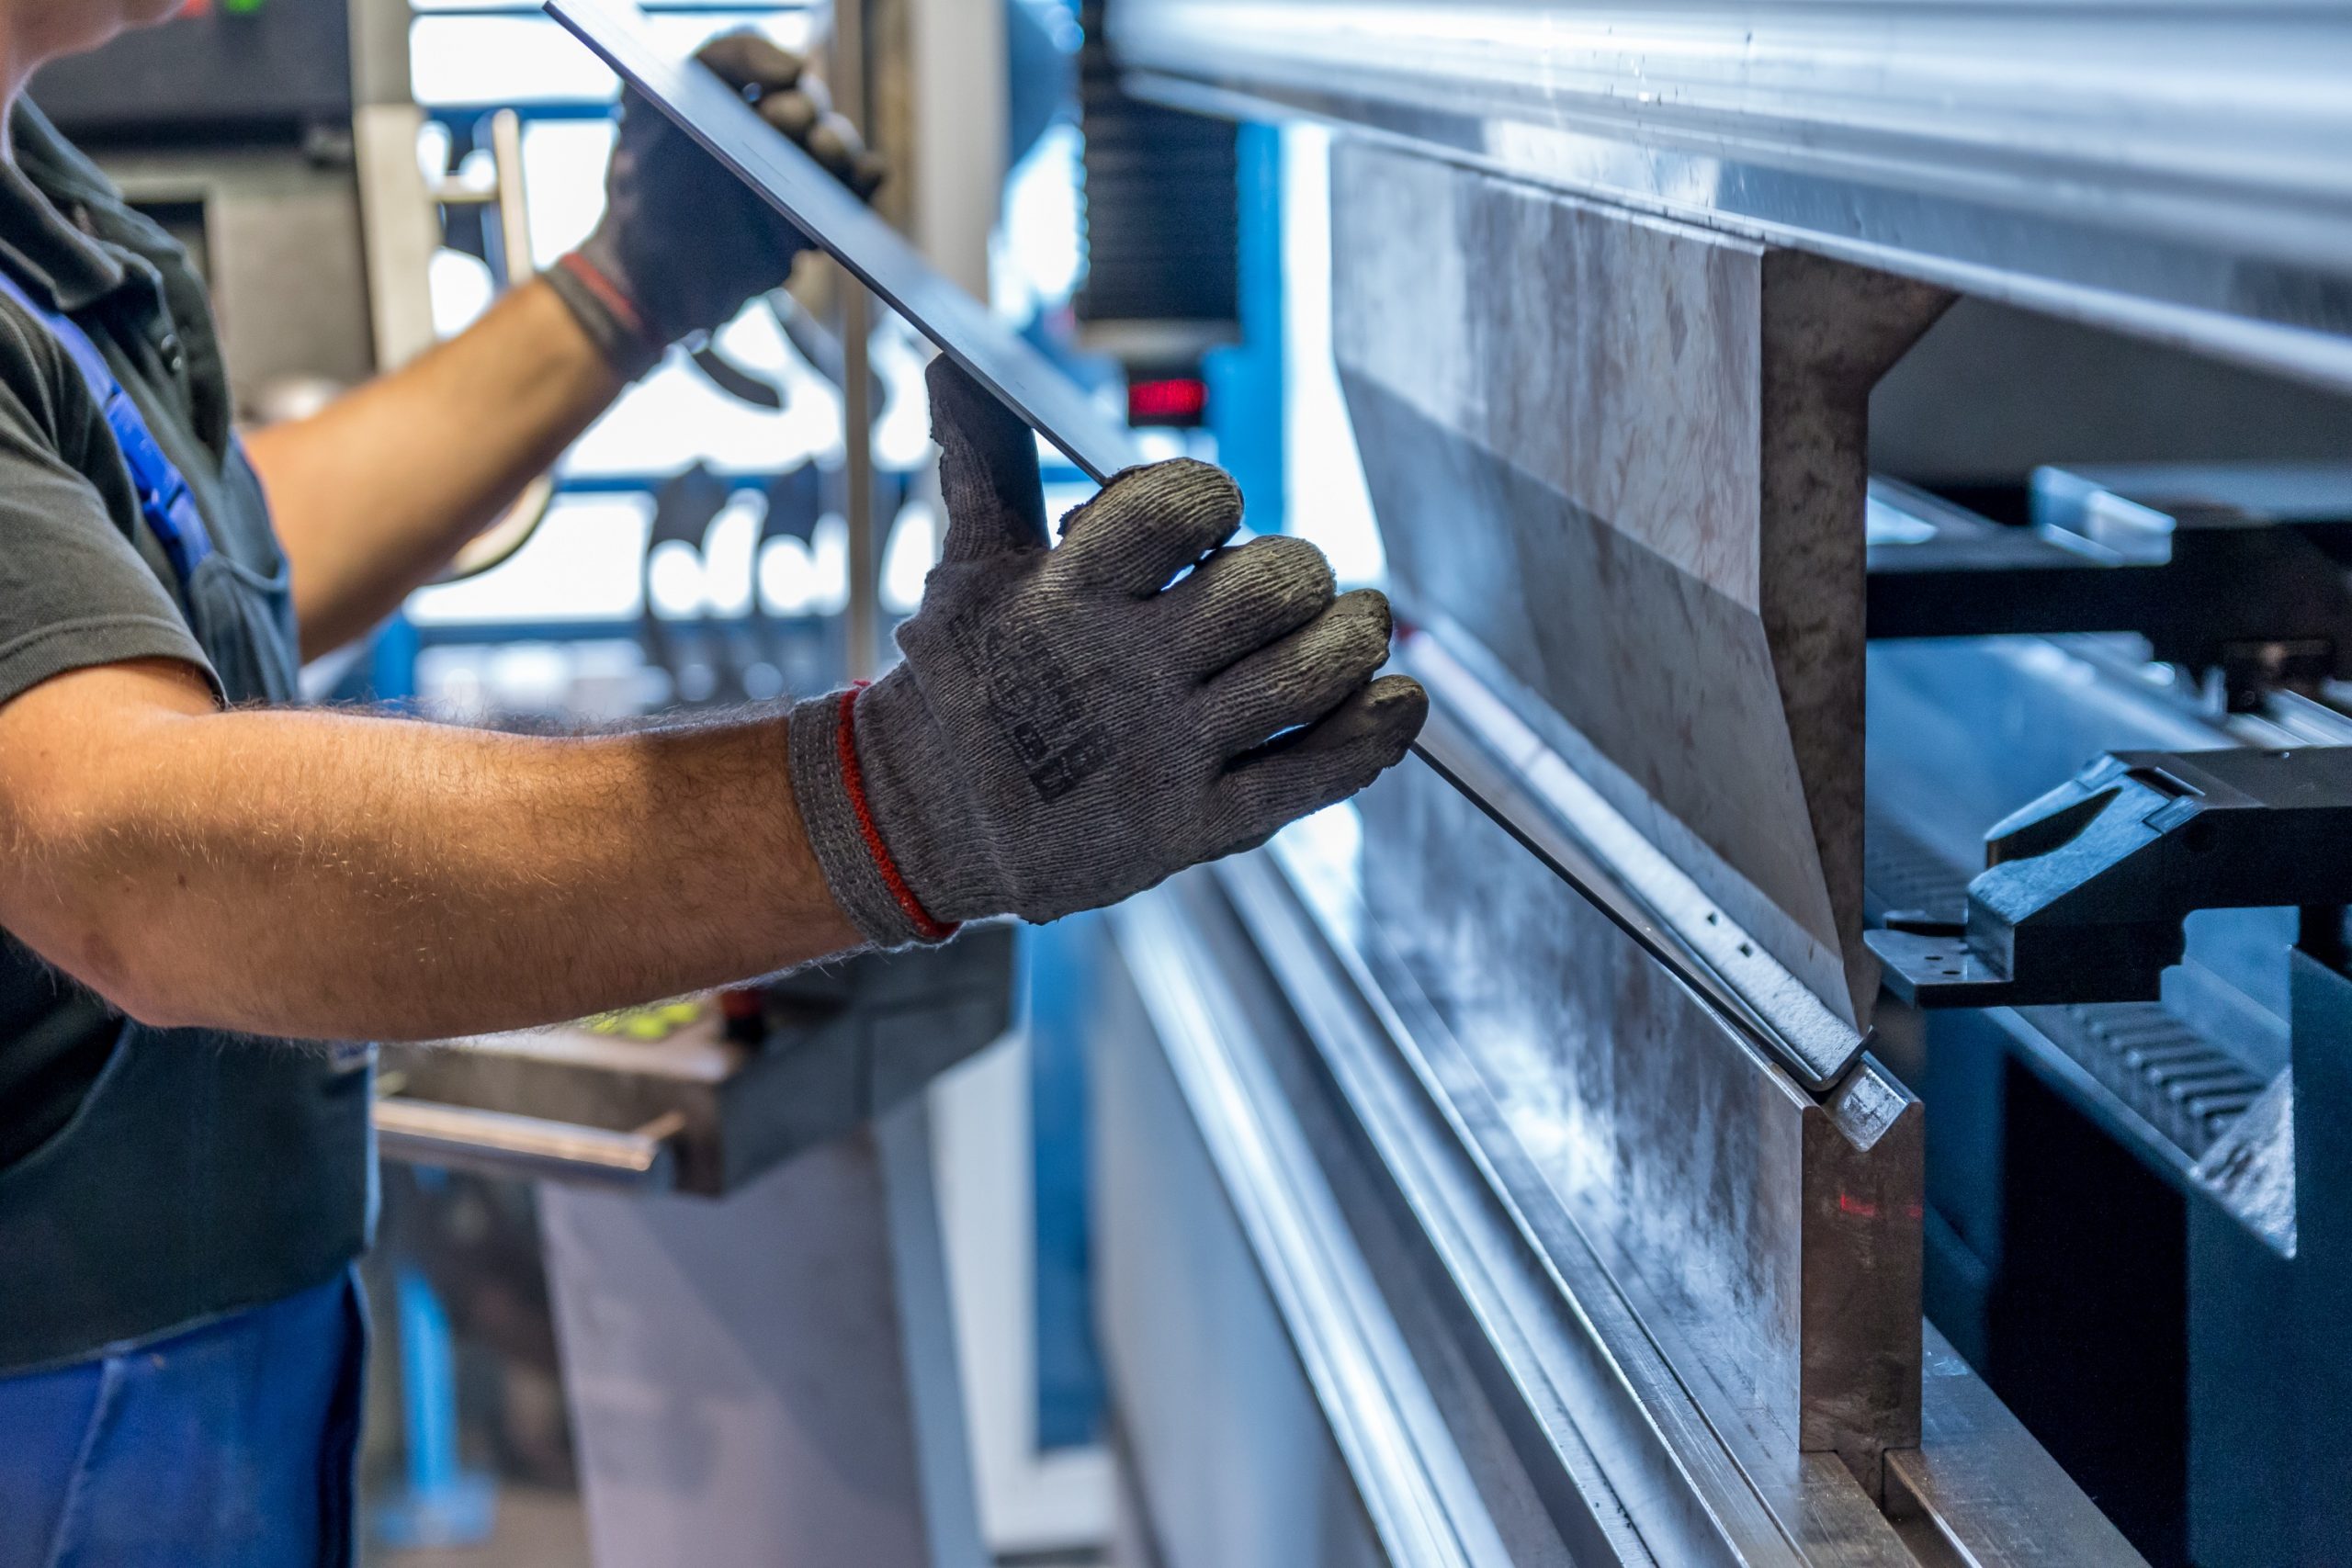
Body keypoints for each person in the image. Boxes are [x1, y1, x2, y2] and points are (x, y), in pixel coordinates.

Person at [0, 0, 1425, 1558]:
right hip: (58, 1394)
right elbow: (121, 850)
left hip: (198, 1351)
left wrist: (623, 291)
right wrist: (897, 800)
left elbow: (181, 569)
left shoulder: (38, 187)